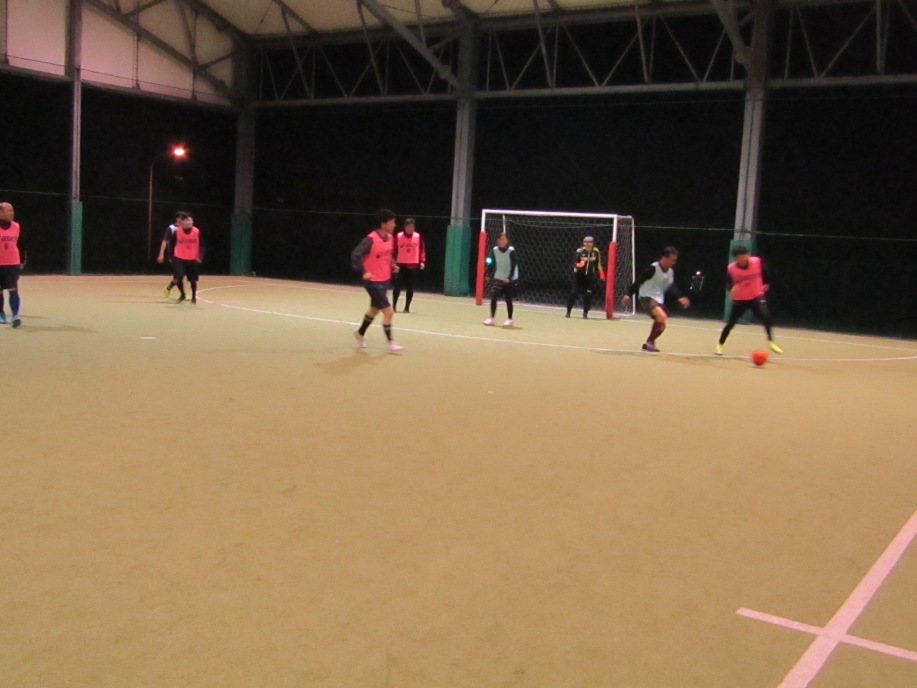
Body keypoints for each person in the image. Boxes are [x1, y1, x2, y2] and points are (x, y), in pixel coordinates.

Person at [351, 208, 403, 352]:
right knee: (389, 311)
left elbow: (388, 255)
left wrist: (393, 264)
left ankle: (359, 333)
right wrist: (364, 272)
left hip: (385, 280)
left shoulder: (390, 238)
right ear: (383, 224)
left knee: (374, 309)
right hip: (373, 281)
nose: (394, 225)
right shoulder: (370, 239)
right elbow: (355, 255)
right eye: (392, 222)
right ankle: (391, 342)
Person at [715, 246, 783, 355]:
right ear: (735, 259)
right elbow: (728, 283)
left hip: (756, 296)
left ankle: (771, 342)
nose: (743, 259)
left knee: (766, 316)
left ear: (748, 255)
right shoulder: (732, 268)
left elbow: (765, 272)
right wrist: (731, 288)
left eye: (744, 256)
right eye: (739, 257)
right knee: (730, 324)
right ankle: (720, 345)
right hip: (740, 299)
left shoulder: (757, 262)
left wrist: (766, 282)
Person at [622, 246, 689, 352]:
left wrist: (680, 297)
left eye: (675, 260)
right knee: (661, 316)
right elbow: (639, 280)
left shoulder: (670, 272)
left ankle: (649, 343)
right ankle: (649, 343)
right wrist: (629, 294)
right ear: (664, 258)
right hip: (646, 297)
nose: (674, 262)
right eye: (672, 260)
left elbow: (671, 286)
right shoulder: (653, 268)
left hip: (658, 299)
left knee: (662, 326)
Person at [565, 235, 605, 318]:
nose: (588, 244)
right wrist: (579, 264)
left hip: (590, 276)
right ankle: (568, 311)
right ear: (583, 243)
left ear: (593, 243)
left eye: (590, 242)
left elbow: (598, 264)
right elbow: (574, 263)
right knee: (574, 293)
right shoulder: (579, 251)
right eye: (586, 242)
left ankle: (585, 313)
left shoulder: (596, 251)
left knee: (588, 294)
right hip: (578, 275)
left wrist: (602, 274)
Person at [167, 212, 204, 304]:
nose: (190, 222)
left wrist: (200, 256)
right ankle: (182, 294)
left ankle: (193, 297)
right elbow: (171, 244)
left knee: (192, 280)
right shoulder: (177, 232)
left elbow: (202, 245)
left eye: (191, 220)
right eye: (187, 220)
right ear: (182, 221)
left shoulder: (196, 231)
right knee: (178, 277)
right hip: (179, 258)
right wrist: (171, 256)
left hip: (192, 258)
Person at [483, 233, 519, 327]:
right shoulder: (495, 250)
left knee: (508, 298)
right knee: (494, 296)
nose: (502, 241)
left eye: (504, 239)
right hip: (498, 276)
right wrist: (488, 274)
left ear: (507, 241)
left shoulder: (511, 251)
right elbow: (491, 262)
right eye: (501, 239)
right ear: (498, 240)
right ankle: (492, 318)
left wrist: (509, 277)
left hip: (510, 278)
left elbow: (514, 264)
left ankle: (510, 319)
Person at [392, 217, 426, 313]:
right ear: (405, 227)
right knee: (397, 286)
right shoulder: (399, 236)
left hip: (413, 265)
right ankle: (394, 306)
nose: (411, 229)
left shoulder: (417, 236)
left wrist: (422, 261)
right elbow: (394, 250)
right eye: (409, 227)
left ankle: (407, 307)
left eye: (412, 227)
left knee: (410, 287)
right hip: (400, 264)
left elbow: (422, 249)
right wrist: (393, 262)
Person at [0, 201, 25, 328]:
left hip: (12, 264)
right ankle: (1, 313)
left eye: (12, 210)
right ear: (0, 213)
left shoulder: (16, 226)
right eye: (9, 210)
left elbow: (21, 244)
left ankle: (15, 316)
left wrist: (22, 260)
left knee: (13, 289)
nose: (12, 213)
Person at [156, 210, 186, 297]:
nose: (184, 220)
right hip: (174, 255)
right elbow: (164, 241)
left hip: (184, 255)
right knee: (179, 275)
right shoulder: (172, 228)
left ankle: (171, 289)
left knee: (179, 275)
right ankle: (179, 293)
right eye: (182, 218)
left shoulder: (185, 229)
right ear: (177, 219)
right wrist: (161, 253)